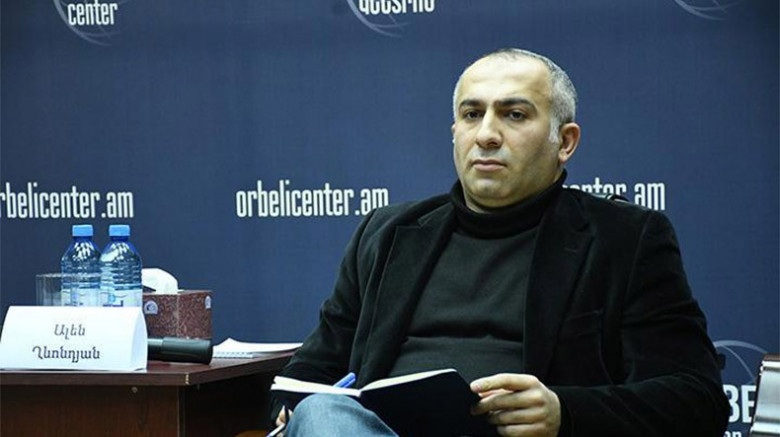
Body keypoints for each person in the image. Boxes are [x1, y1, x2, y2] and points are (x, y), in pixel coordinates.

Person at [271, 48, 729, 436]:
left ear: (565, 142)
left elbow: (698, 399)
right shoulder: (387, 233)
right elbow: (311, 370)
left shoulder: (625, 239)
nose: (487, 135)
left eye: (514, 115)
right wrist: (293, 410)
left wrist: (564, 412)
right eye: (472, 114)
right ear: (455, 132)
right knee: (322, 413)